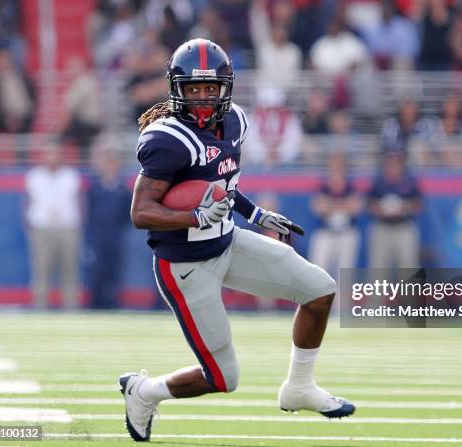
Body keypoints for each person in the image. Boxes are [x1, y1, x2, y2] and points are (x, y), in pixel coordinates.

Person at [119, 38, 355, 442]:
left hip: (228, 242)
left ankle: (299, 386)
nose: (203, 97)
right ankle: (145, 392)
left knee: (320, 290)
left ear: (226, 86)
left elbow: (221, 183)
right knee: (223, 377)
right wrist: (193, 215)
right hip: (185, 266)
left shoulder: (235, 122)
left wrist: (254, 213)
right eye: (193, 89)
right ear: (177, 90)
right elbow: (141, 213)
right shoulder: (168, 140)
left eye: (211, 88)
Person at [25, 144, 82, 309]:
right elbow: (27, 201)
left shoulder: (71, 176)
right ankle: (40, 306)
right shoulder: (34, 176)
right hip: (42, 228)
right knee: (41, 269)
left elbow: (79, 201)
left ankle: (71, 307)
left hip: (68, 228)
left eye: (55, 154)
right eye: (49, 154)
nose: (52, 158)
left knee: (70, 270)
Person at [86, 150, 132, 309]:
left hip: (116, 236)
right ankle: (95, 303)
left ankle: (111, 303)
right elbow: (89, 213)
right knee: (97, 270)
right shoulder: (95, 189)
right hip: (98, 236)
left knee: (114, 271)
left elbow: (128, 215)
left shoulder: (123, 190)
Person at [309, 153, 362, 278]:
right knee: (318, 271)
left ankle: (341, 298)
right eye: (333, 166)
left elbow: (355, 208)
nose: (336, 169)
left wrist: (330, 204)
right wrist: (344, 204)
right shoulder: (323, 187)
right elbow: (318, 208)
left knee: (344, 274)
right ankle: (319, 298)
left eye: (339, 166)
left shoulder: (351, 188)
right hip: (326, 233)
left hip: (347, 233)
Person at [367, 150, 422, 269]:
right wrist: (381, 210)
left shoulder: (409, 183)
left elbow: (418, 205)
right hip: (382, 226)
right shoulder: (379, 183)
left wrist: (404, 208)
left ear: (401, 166)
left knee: (408, 265)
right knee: (378, 266)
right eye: (390, 164)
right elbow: (369, 205)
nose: (393, 167)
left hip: (403, 227)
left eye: (396, 164)